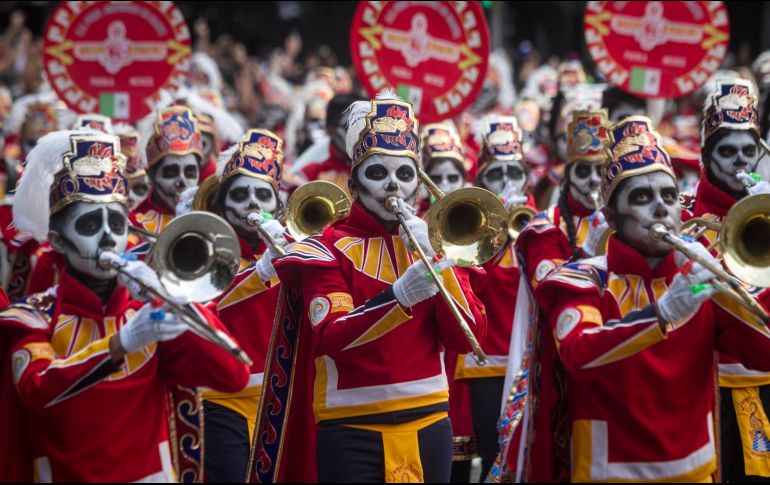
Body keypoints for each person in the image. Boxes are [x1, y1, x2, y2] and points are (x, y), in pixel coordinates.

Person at [252, 91, 487, 482]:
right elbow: (332, 336)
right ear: (355, 185)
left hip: (430, 421)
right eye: (378, 173)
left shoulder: (434, 241)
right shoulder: (325, 249)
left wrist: (441, 263)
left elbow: (470, 337)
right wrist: (398, 298)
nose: (393, 185)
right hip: (352, 429)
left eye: (405, 173)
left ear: (418, 185)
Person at [2, 129, 249, 481]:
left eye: (116, 223)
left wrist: (172, 296)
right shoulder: (33, 317)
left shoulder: (147, 314)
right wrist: (123, 343)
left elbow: (233, 374)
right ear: (56, 240)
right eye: (90, 223)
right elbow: (37, 389)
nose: (107, 236)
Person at [534, 115, 770, 482]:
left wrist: (734, 285)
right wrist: (660, 314)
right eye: (642, 197)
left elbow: (764, 350)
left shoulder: (696, 280)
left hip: (696, 472)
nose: (661, 208)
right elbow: (579, 354)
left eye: (669, 196)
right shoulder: (584, 279)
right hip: (610, 474)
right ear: (611, 217)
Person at [493, 109, 612, 482]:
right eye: (583, 170)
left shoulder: (626, 215)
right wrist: (585, 255)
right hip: (559, 361)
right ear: (567, 173)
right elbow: (547, 287)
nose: (593, 180)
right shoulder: (545, 227)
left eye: (600, 170)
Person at [692, 78, 770, 481]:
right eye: (727, 152)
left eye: (748, 151)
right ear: (706, 155)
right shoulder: (682, 216)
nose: (739, 163)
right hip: (705, 391)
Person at [201, 129, 288, 482]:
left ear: (278, 206)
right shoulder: (202, 250)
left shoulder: (293, 246)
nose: (252, 202)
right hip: (223, 398)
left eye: (262, 194)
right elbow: (204, 309)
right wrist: (259, 272)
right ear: (222, 205)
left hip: (283, 397)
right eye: (240, 194)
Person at [131, 106, 203, 237]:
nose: (181, 182)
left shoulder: (214, 220)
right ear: (151, 175)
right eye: (170, 173)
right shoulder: (134, 226)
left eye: (190, 172)